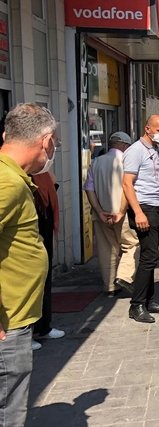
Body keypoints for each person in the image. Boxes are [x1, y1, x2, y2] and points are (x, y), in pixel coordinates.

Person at [0, 103, 55, 424]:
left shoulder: (12, 176)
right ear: (45, 141)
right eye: (54, 143)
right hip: (8, 323)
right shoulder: (7, 182)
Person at [122, 115, 159, 323]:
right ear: (147, 129)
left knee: (151, 255)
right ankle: (136, 305)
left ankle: (150, 300)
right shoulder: (135, 151)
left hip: (158, 205)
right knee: (149, 256)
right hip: (145, 207)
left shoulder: (154, 149)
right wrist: (138, 212)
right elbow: (127, 184)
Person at [83, 131, 139, 297]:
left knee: (107, 249)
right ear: (124, 145)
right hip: (123, 213)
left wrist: (99, 211)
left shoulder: (96, 162)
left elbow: (89, 189)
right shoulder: (127, 162)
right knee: (132, 244)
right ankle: (124, 276)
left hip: (101, 214)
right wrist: (121, 211)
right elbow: (129, 188)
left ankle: (110, 287)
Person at [31, 171, 66, 348]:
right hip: (29, 242)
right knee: (31, 285)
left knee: (44, 281)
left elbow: (49, 200)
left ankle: (43, 327)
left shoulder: (43, 176)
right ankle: (26, 333)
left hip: (44, 238)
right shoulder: (19, 178)